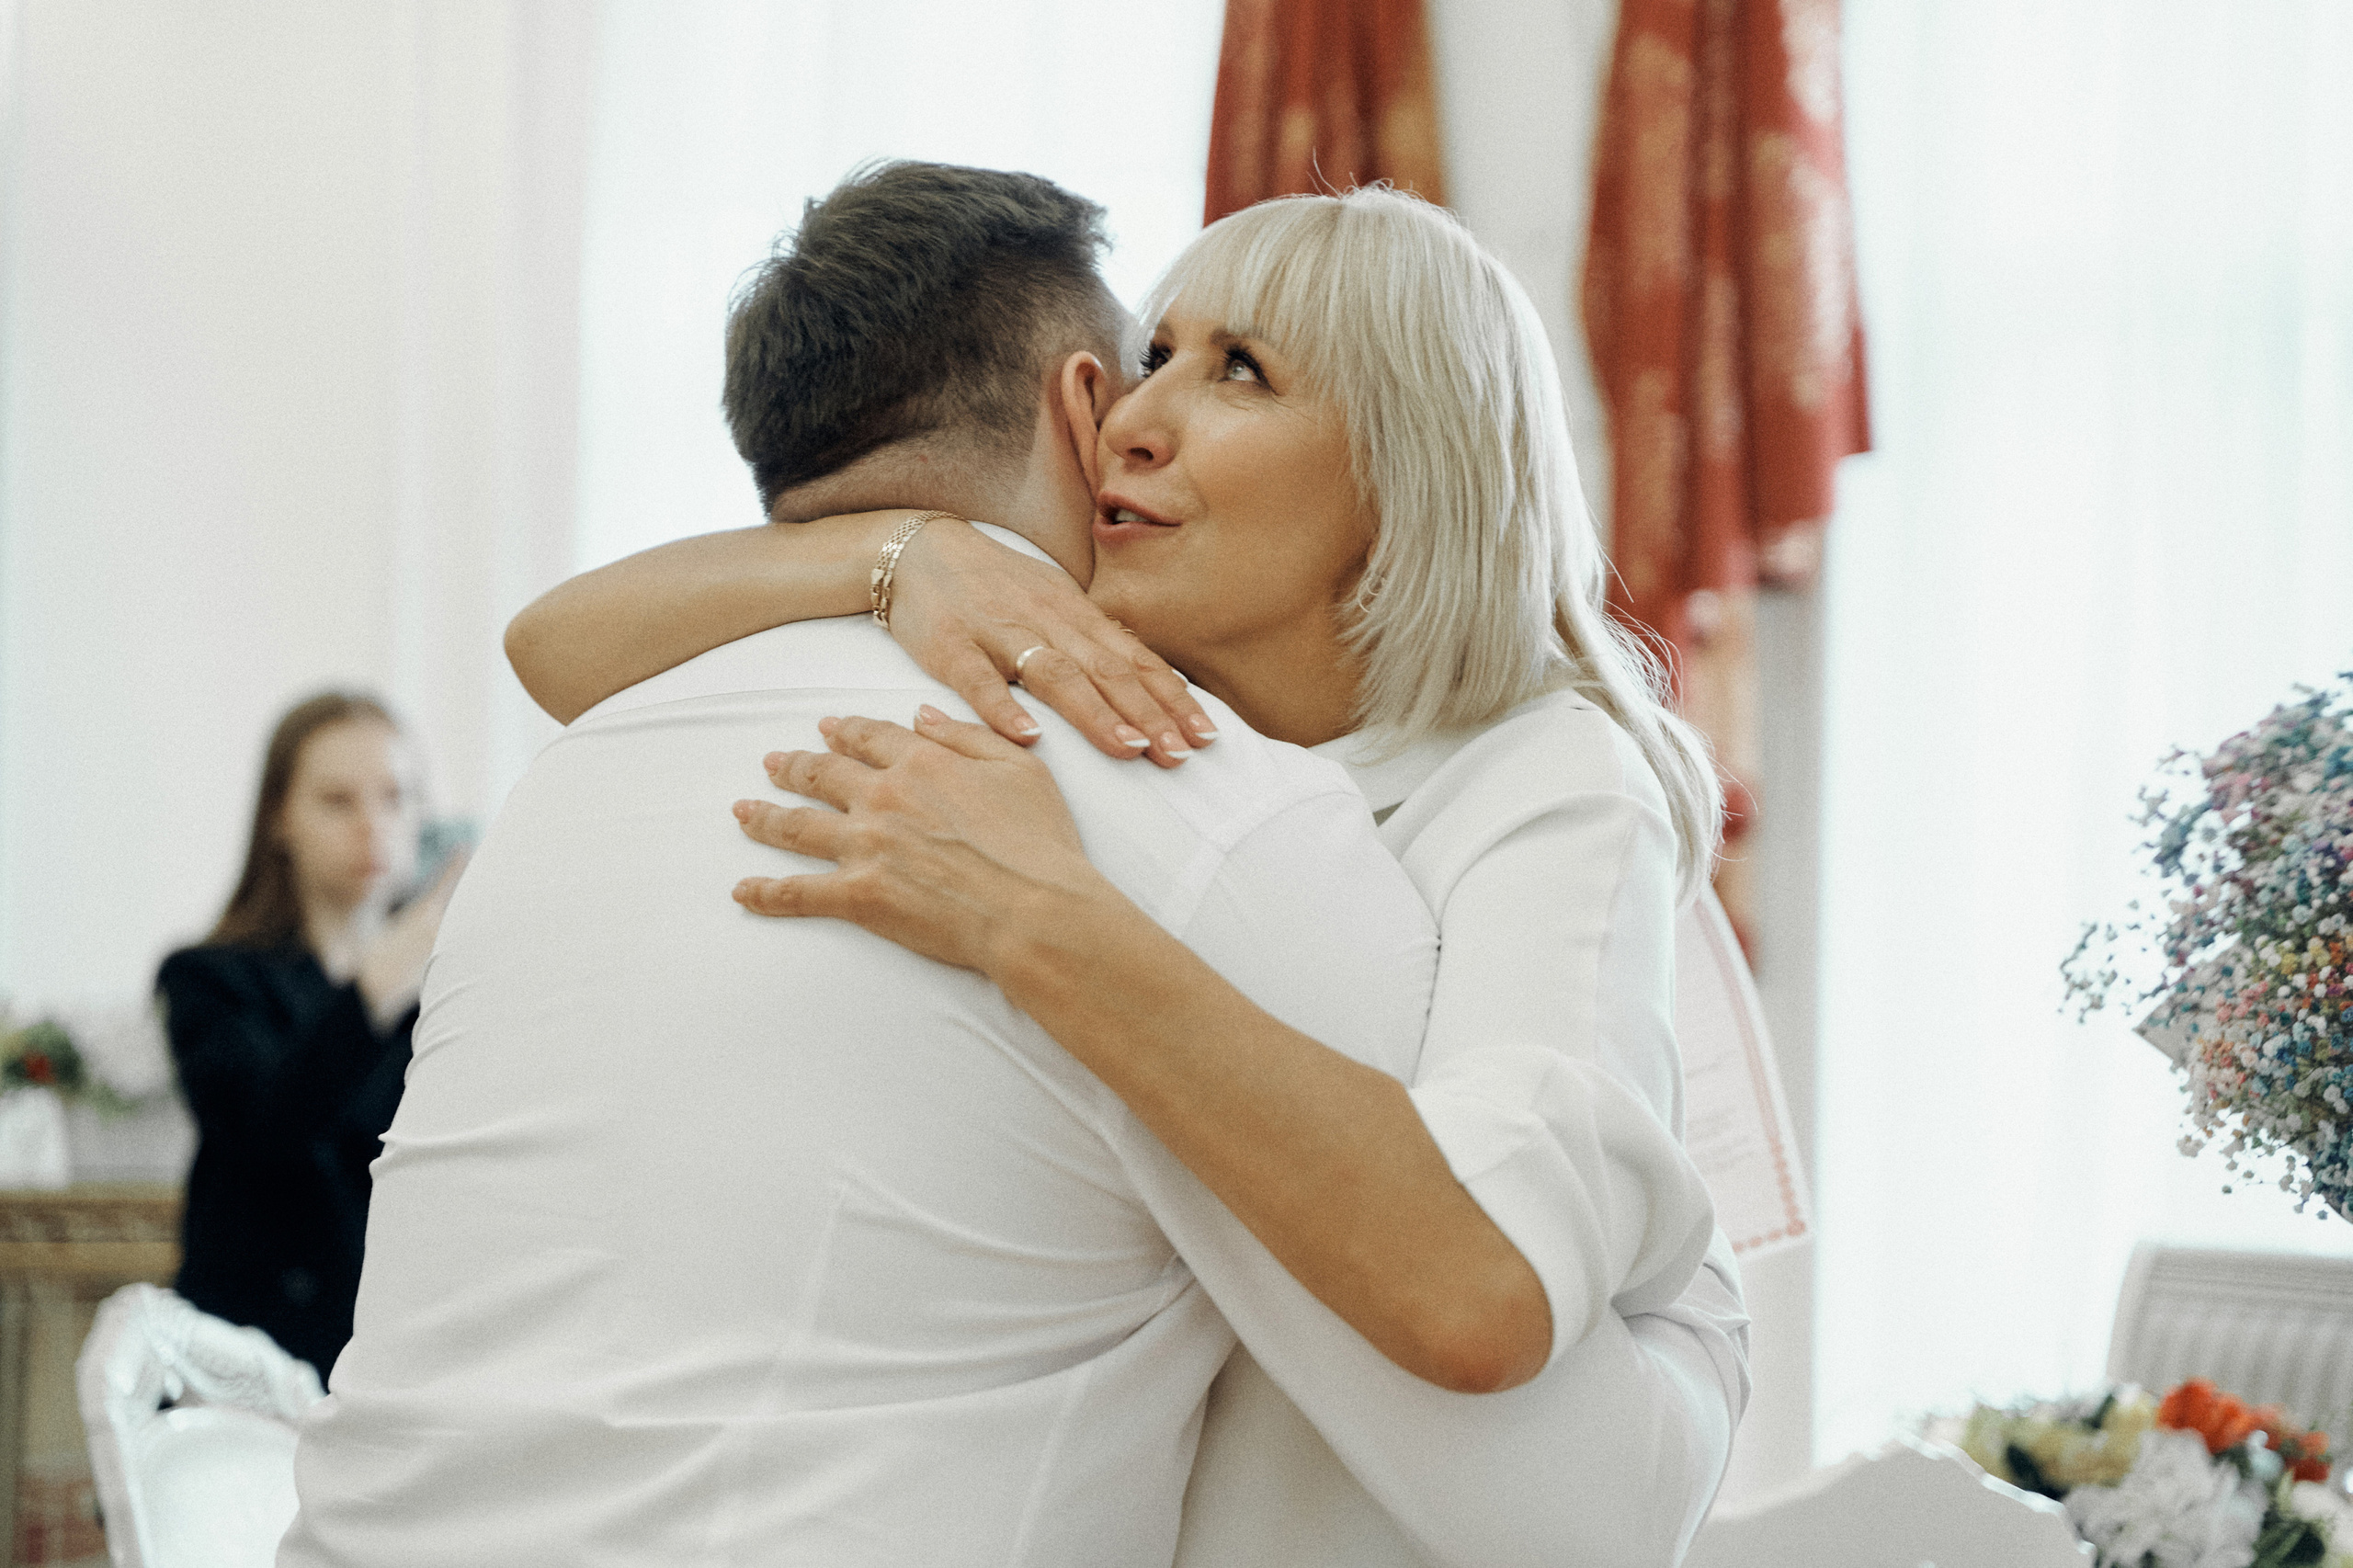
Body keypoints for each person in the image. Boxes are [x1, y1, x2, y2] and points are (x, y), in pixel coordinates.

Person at [505, 178, 1747, 1566]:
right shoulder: (1123, 701)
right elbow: (554, 646)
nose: (1134, 419)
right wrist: (899, 552)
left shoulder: (1547, 777)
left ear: (1412, 464)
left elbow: (1484, 1300)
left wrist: (1032, 917)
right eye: (1156, 355)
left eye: (1242, 371)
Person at [279, 163, 1442, 1567]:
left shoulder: (564, 780)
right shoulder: (1201, 799)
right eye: (1152, 370)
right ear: (1087, 408)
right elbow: (1451, 1298)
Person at [156, 691, 459, 1377]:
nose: (373, 826)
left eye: (396, 798)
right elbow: (266, 1130)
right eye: (337, 801)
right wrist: (372, 988)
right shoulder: (209, 979)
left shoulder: (449, 991)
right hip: (250, 1362)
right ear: (279, 817)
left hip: (396, 1353)